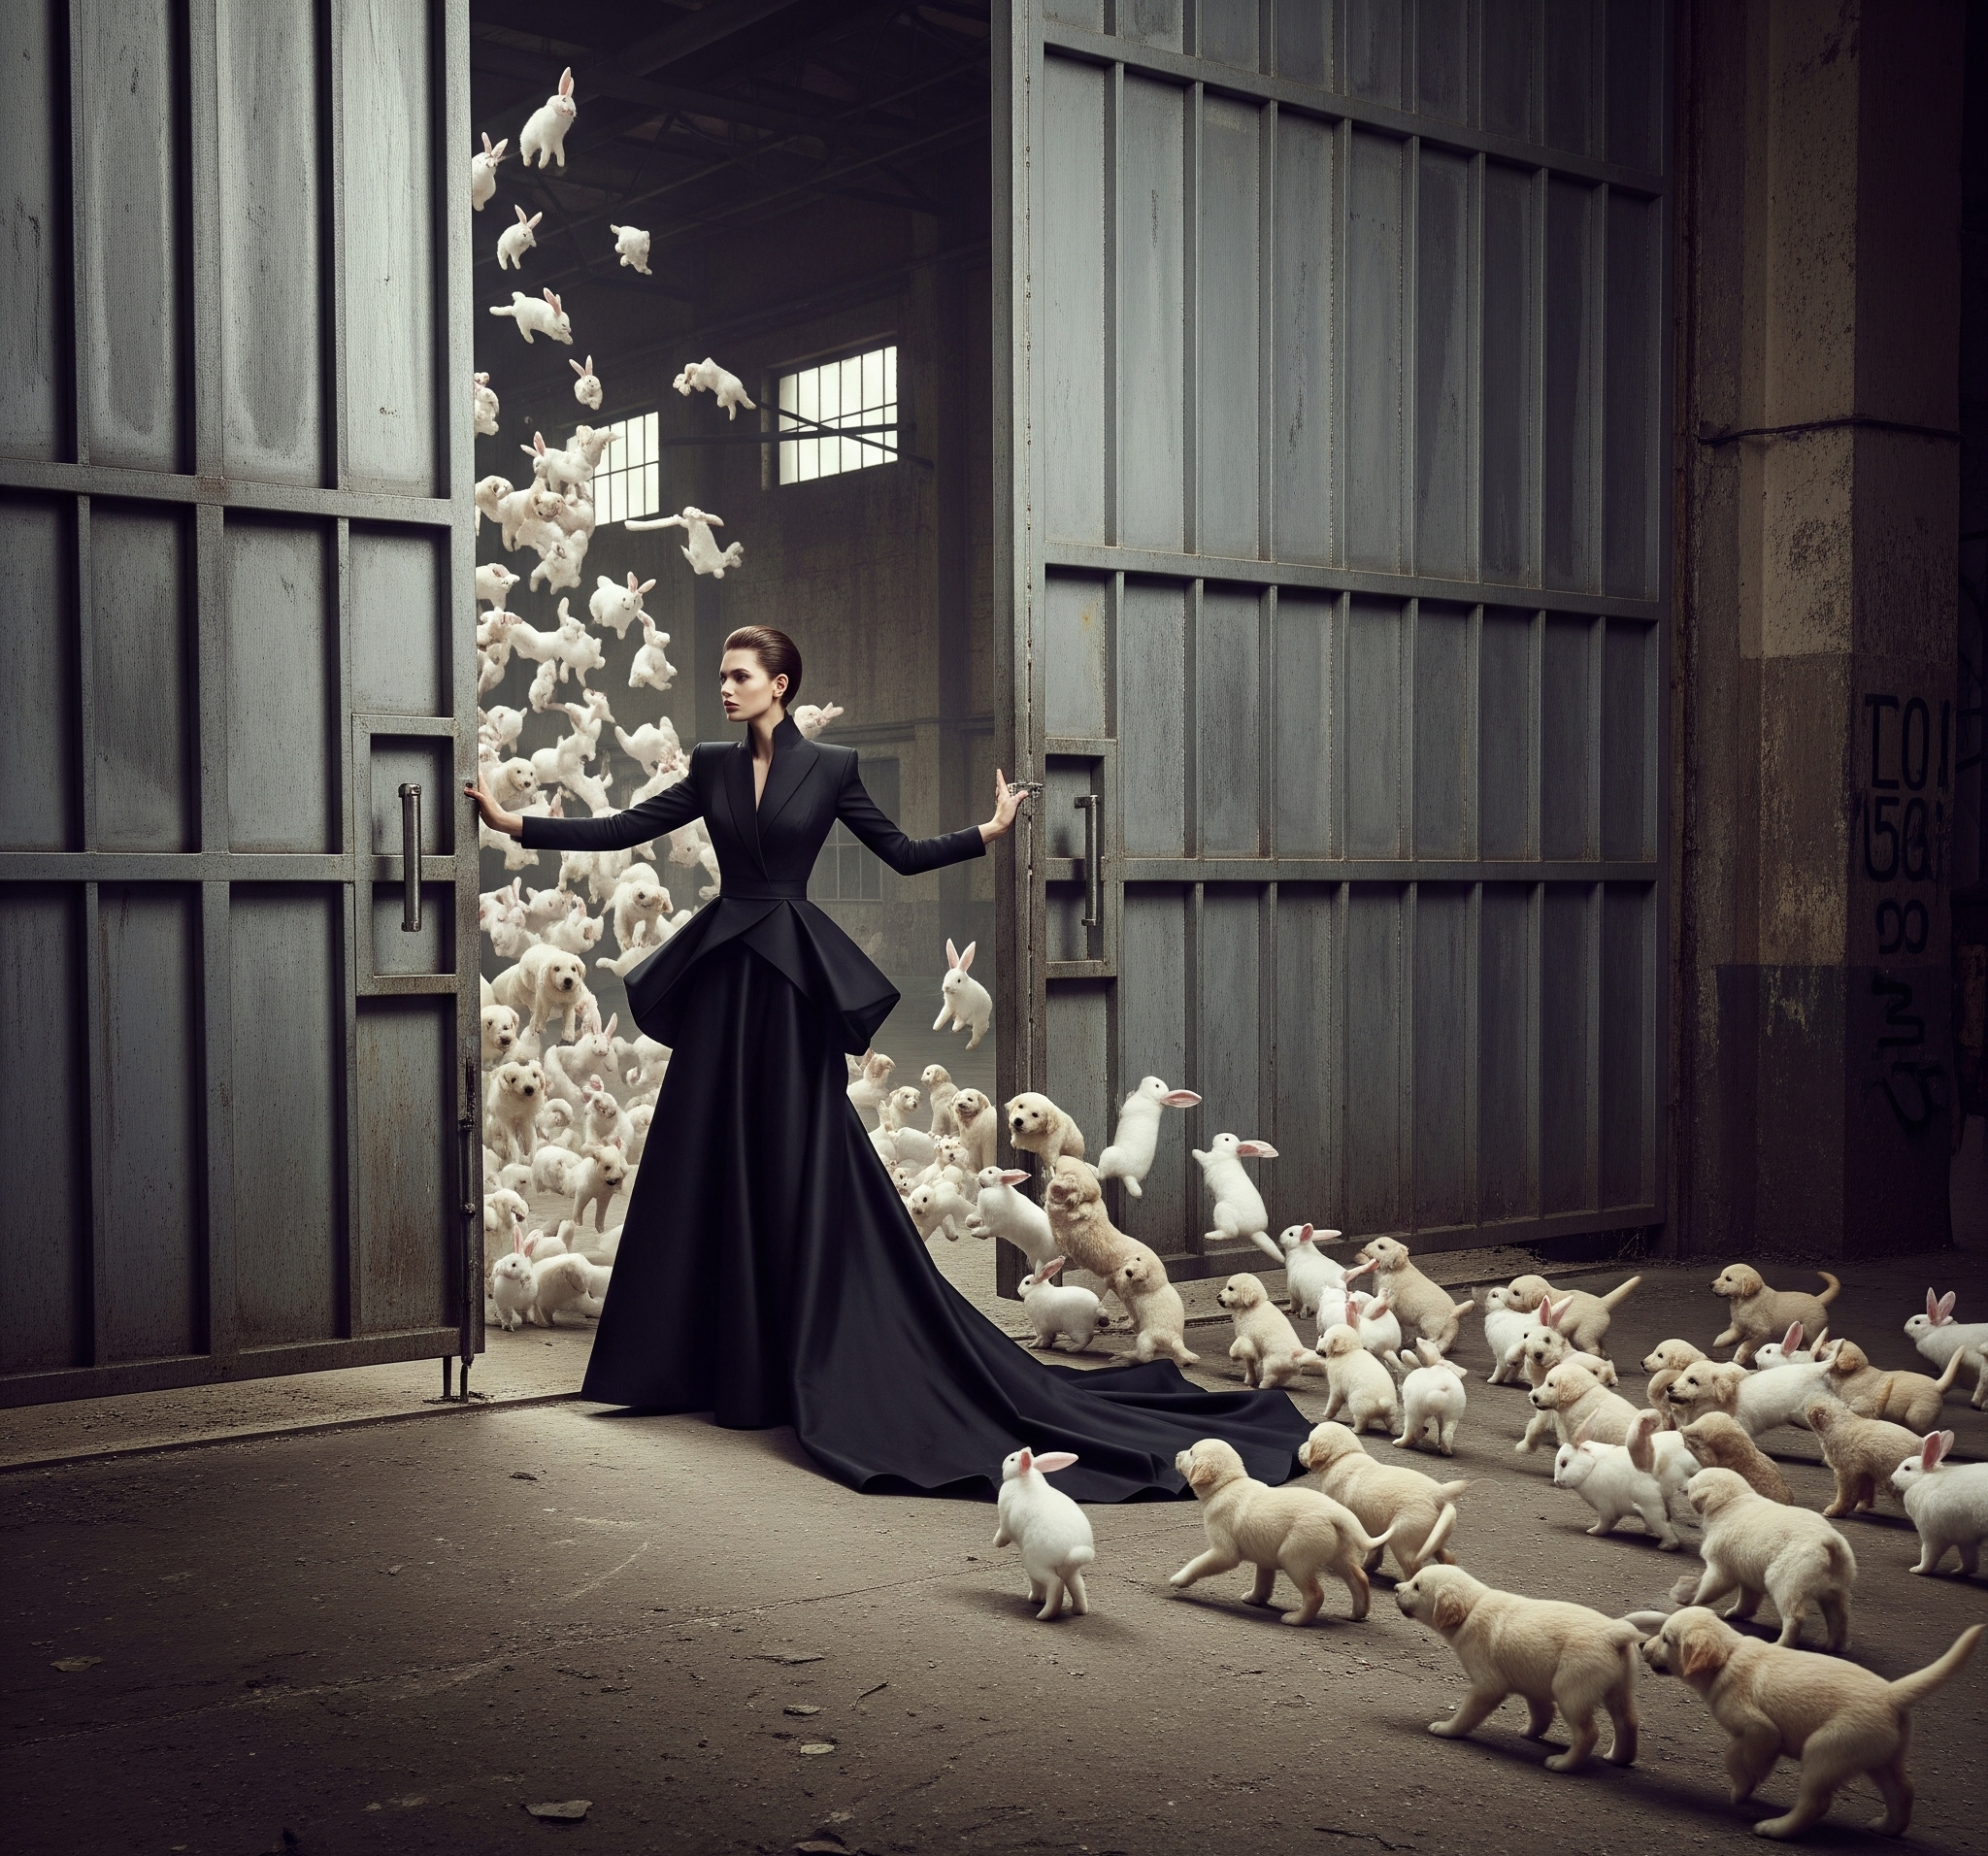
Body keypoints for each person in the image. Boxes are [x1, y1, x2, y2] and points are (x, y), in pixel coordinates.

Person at [465, 625, 1311, 1501]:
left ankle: (797, 1354)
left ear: (780, 685)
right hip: (725, 984)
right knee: (705, 1158)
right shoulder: (713, 765)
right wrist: (512, 821)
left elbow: (900, 853)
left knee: (795, 1161)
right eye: (721, 675)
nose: (724, 687)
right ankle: (708, 1361)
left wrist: (987, 831)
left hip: (790, 986)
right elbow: (625, 825)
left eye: (739, 676)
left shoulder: (832, 769)